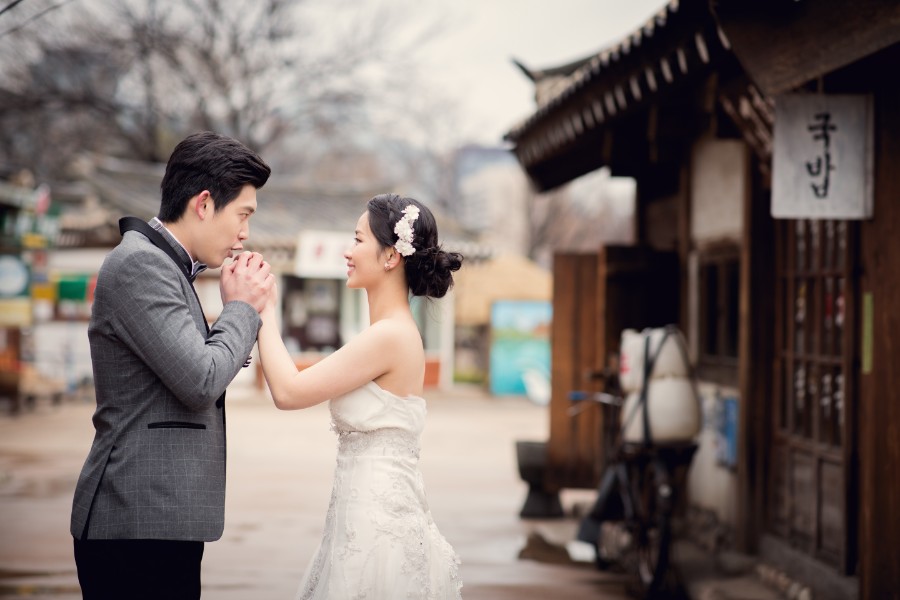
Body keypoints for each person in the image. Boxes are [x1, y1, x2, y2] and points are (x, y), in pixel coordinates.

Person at [70, 131, 274, 600]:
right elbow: (201, 378)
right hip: (136, 522)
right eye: (242, 214)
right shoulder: (140, 266)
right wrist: (241, 308)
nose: (245, 233)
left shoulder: (166, 266)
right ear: (204, 204)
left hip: (157, 519)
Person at [249, 193, 464, 599]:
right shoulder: (388, 333)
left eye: (359, 240)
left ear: (390, 257)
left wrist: (263, 311)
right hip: (361, 511)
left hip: (375, 519)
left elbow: (289, 391)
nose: (348, 252)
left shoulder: (389, 336)